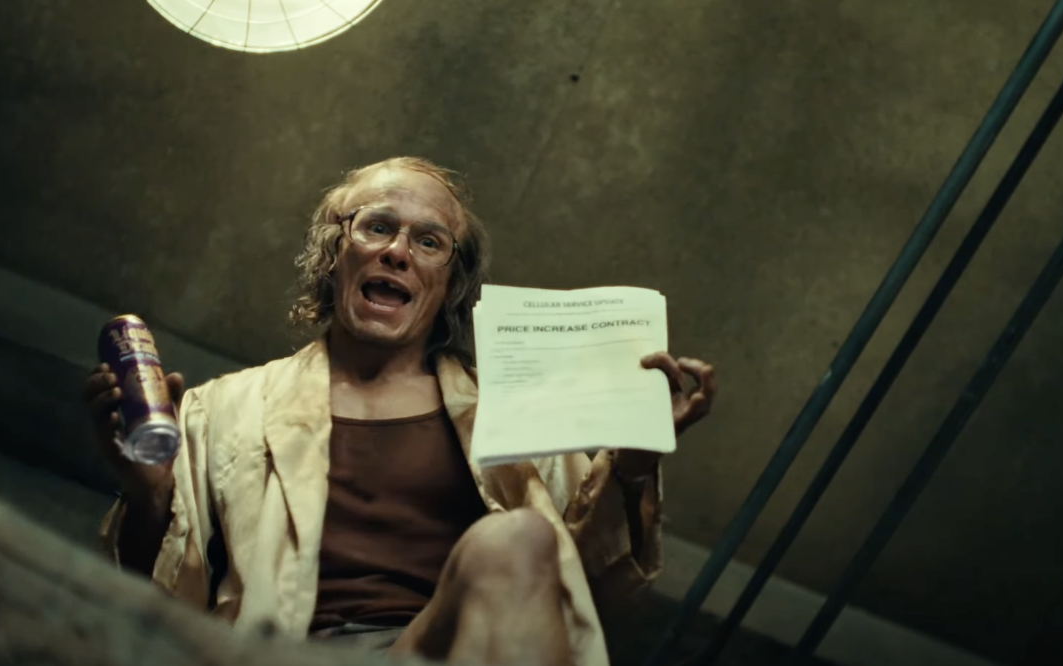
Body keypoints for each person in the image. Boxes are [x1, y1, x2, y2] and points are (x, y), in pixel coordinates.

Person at [84, 157, 716, 666]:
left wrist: (634, 463)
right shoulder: (222, 408)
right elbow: (151, 598)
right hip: (290, 652)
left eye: (429, 241)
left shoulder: (515, 414)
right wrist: (148, 496)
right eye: (377, 227)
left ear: (449, 286)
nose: (397, 252)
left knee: (519, 540)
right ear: (334, 255)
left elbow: (590, 597)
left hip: (455, 650)